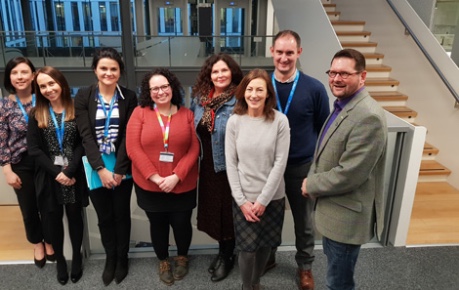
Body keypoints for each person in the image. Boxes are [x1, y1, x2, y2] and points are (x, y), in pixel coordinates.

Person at [301, 48, 387, 290]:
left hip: (346, 218)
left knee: (338, 283)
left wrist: (311, 184)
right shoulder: (342, 106)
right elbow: (324, 153)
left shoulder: (368, 116)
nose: (336, 79)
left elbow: (351, 173)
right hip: (333, 211)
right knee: (335, 274)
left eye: (344, 74)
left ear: (363, 76)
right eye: (333, 72)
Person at [268, 30, 330, 290]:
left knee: (304, 222)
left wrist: (316, 170)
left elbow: (324, 130)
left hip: (301, 166)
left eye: (289, 53)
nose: (284, 58)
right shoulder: (260, 84)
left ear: (299, 53)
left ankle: (305, 267)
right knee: (269, 217)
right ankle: (267, 257)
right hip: (268, 166)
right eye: (280, 52)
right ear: (272, 51)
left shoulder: (314, 88)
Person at [126, 68, 199, 286]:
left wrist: (177, 176)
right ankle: (163, 260)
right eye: (155, 88)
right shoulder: (140, 113)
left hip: (182, 183)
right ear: (148, 92)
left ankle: (182, 257)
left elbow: (194, 149)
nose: (160, 91)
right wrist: (155, 177)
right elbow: (133, 148)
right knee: (157, 224)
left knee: (181, 223)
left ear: (172, 87)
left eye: (164, 86)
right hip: (149, 185)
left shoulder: (187, 114)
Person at [75, 47, 137, 286]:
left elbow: (128, 137)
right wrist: (100, 169)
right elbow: (85, 136)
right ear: (95, 70)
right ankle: (110, 258)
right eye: (104, 68)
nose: (108, 73)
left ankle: (123, 258)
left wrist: (119, 170)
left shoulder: (129, 97)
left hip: (122, 166)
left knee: (122, 215)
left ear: (120, 72)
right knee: (105, 217)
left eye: (113, 69)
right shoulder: (83, 96)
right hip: (95, 167)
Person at [225, 69, 290, 290]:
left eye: (259, 89)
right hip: (243, 198)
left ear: (267, 93)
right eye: (250, 89)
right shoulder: (234, 121)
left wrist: (263, 201)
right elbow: (231, 164)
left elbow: (280, 164)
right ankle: (247, 285)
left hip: (272, 197)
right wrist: (242, 201)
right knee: (246, 248)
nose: (254, 94)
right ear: (243, 92)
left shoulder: (280, 121)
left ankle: (257, 282)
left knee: (265, 244)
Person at [27, 66, 88, 285]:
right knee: (52, 221)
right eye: (42, 86)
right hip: (49, 176)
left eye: (51, 83)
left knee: (74, 218)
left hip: (73, 174)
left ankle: (77, 259)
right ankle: (61, 260)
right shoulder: (36, 114)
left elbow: (82, 142)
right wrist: (57, 173)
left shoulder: (77, 109)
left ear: (61, 83)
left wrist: (69, 171)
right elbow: (34, 149)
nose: (48, 89)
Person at [190, 53, 243, 282]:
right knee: (215, 213)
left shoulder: (240, 99)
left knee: (228, 215)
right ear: (209, 76)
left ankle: (227, 256)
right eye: (215, 71)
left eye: (224, 70)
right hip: (208, 165)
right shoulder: (200, 99)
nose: (219, 75)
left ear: (232, 72)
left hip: (231, 167)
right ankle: (224, 251)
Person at [0, 57, 55, 268]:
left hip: (45, 161)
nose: (20, 77)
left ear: (33, 75)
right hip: (20, 163)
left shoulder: (44, 99)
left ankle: (50, 240)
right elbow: (2, 140)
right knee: (29, 206)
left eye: (24, 72)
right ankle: (37, 243)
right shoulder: (4, 105)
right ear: (9, 77)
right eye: (15, 73)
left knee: (48, 204)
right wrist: (7, 170)